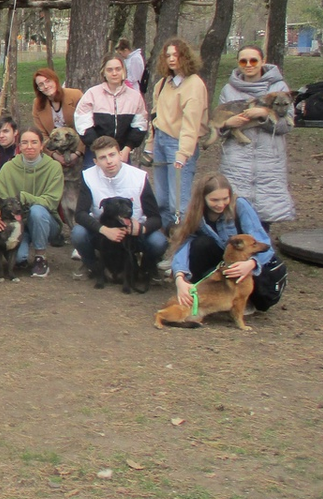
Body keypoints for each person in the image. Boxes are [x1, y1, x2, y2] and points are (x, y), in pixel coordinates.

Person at [170, 174, 285, 315]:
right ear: (203, 198)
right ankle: (206, 296)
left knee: (259, 293)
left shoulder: (240, 206)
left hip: (249, 262)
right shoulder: (196, 214)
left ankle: (246, 300)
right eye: (214, 200)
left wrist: (251, 264)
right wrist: (179, 278)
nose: (220, 204)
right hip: (223, 262)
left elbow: (263, 243)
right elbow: (184, 246)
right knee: (200, 244)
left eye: (225, 198)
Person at [216, 45, 294, 228]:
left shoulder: (279, 88)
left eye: (253, 60)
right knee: (235, 211)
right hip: (237, 160)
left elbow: (286, 125)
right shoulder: (228, 89)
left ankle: (261, 245)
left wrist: (263, 115)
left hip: (269, 160)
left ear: (263, 61)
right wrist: (227, 124)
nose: (248, 64)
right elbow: (219, 125)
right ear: (238, 63)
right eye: (243, 61)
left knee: (264, 215)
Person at [72, 137, 166, 281]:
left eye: (112, 155)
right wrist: (104, 230)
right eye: (102, 157)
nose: (109, 161)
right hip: (103, 233)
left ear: (120, 155)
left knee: (158, 241)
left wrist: (141, 228)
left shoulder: (139, 177)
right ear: (96, 161)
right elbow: (80, 214)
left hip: (133, 234)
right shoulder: (88, 176)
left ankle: (147, 268)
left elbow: (156, 218)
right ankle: (92, 265)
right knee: (78, 233)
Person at [144, 38, 209, 230]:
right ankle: (165, 240)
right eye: (168, 55)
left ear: (185, 56)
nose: (172, 59)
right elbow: (155, 117)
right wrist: (150, 145)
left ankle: (186, 242)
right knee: (162, 201)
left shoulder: (194, 84)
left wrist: (183, 153)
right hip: (160, 142)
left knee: (178, 204)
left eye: (176, 55)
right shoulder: (163, 83)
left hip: (179, 144)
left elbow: (191, 124)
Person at [0, 127, 63, 278]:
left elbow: (51, 201)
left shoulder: (54, 167)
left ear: (42, 145)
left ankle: (40, 258)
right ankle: (20, 255)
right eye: (24, 143)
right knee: (18, 259)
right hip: (17, 223)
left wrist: (25, 197)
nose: (29, 146)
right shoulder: (8, 168)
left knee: (36, 211)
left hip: (46, 222)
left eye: (34, 142)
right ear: (19, 146)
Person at [73, 54, 148, 168]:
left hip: (122, 153)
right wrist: (100, 149)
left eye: (118, 69)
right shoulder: (91, 94)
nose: (114, 73)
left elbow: (140, 125)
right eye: (110, 70)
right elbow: (83, 125)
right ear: (103, 72)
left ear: (124, 71)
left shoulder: (135, 97)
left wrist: (127, 148)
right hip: (95, 151)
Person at [31, 67, 82, 140]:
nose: (46, 86)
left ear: (55, 80)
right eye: (41, 84)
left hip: (78, 141)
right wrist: (51, 148)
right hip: (53, 144)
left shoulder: (75, 95)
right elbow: (42, 134)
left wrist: (78, 147)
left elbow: (84, 125)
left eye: (48, 81)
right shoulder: (37, 104)